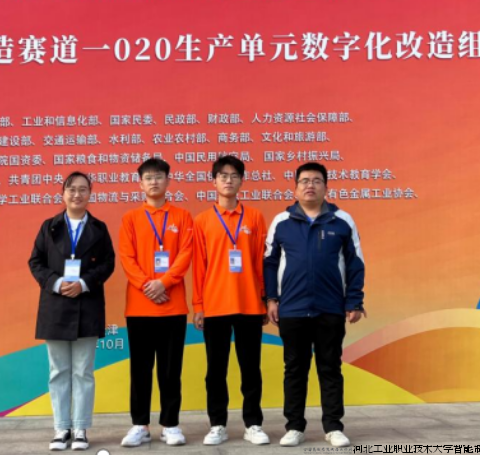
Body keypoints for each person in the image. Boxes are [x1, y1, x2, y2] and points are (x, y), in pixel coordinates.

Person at [264, 162, 366, 448]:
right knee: (294, 370)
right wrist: (271, 299)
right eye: (304, 181)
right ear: (295, 188)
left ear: (326, 187)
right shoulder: (282, 221)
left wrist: (354, 301)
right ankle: (294, 427)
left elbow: (356, 263)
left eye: (317, 181)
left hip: (330, 308)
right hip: (292, 309)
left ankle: (333, 427)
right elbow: (270, 263)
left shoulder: (342, 220)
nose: (310, 185)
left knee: (330, 368)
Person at [28, 171, 116, 451]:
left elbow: (108, 263)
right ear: (63, 193)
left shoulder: (99, 229)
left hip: (87, 305)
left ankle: (80, 428)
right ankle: (61, 428)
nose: (77, 194)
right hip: (55, 306)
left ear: (90, 193)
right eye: (72, 189)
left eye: (83, 189)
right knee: (58, 371)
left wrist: (84, 283)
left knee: (83, 372)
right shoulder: (49, 227)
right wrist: (56, 283)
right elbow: (35, 262)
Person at [192, 155, 271, 446]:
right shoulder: (202, 220)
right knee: (216, 370)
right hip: (215, 306)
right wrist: (198, 305)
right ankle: (217, 424)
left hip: (249, 304)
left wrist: (265, 299)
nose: (228, 180)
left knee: (251, 368)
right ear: (213, 181)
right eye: (223, 176)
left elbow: (262, 262)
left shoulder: (255, 217)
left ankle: (253, 424)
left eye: (234, 175)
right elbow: (199, 267)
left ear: (241, 181)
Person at [118, 158, 194, 448]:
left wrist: (165, 282)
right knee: (140, 369)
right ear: (140, 184)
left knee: (170, 369)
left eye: (159, 177)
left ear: (168, 181)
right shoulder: (130, 218)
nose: (153, 182)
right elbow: (127, 258)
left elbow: (185, 254)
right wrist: (148, 286)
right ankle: (140, 424)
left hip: (172, 305)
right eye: (148, 178)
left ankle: (170, 424)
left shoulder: (182, 216)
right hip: (139, 307)